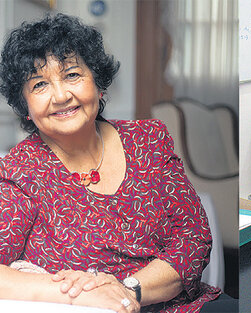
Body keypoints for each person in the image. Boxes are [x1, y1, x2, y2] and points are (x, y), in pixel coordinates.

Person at [0, 13, 224, 313]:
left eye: (72, 75)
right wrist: (77, 296)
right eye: (39, 84)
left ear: (98, 83)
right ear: (25, 106)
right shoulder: (19, 170)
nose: (61, 95)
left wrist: (128, 290)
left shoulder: (149, 139)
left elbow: (193, 236)